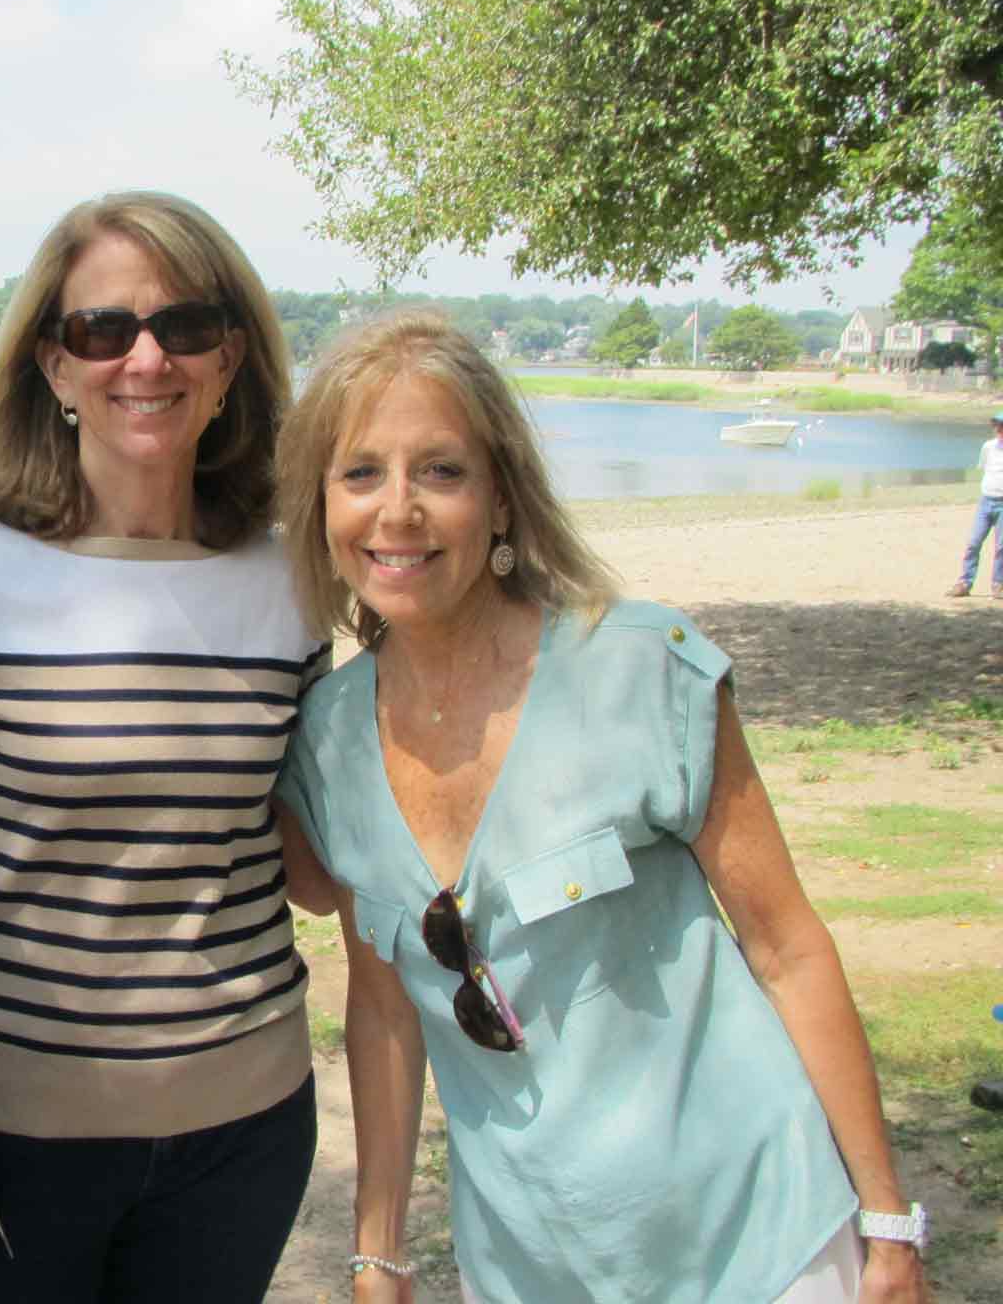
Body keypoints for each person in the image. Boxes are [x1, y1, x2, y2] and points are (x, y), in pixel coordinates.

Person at [270, 311, 929, 1303]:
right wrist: (379, 1252)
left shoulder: (642, 669)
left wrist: (887, 1224)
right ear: (322, 506)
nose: (397, 509)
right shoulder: (325, 740)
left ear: (501, 501)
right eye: (360, 473)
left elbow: (786, 947)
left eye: (440, 472)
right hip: (531, 1268)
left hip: (759, 1237)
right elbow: (385, 1009)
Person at [0, 191, 333, 1301]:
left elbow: (314, 865)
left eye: (184, 326)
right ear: (54, 369)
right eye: (102, 331)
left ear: (230, 358)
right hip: (10, 1144)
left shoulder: (293, 583)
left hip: (246, 1134)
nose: (144, 357)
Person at [944, 407, 1003, 599]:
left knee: (1001, 547)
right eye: (997, 425)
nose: (999, 429)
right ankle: (965, 583)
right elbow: (985, 468)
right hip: (986, 501)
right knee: (973, 542)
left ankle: (998, 585)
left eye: (1002, 426)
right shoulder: (988, 447)